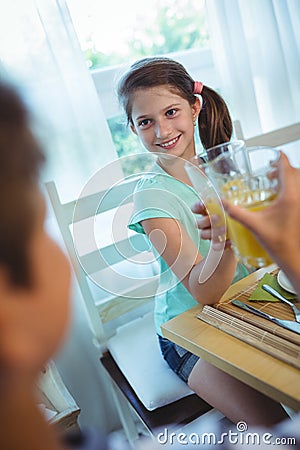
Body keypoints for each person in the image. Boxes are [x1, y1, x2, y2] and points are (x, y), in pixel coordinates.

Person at [117, 56, 288, 425]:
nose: (162, 131)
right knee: (277, 428)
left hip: (254, 302)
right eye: (146, 122)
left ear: (195, 108)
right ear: (133, 128)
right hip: (191, 331)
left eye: (171, 112)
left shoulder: (227, 168)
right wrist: (223, 238)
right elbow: (205, 294)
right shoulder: (152, 199)